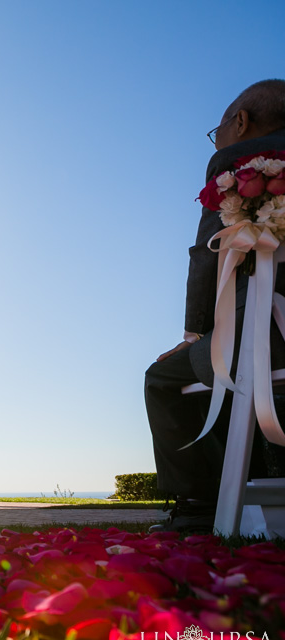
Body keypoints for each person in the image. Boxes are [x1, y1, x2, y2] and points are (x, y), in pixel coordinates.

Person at [146, 79, 285, 532]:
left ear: (240, 122)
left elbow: (209, 255)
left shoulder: (238, 166)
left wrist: (195, 335)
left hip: (268, 334)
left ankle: (200, 505)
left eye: (219, 128)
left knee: (166, 377)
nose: (219, 139)